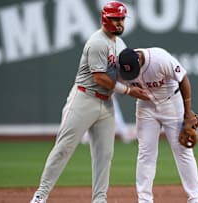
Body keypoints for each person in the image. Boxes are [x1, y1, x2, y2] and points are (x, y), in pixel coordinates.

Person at [29, 2, 150, 203]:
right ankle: (40, 196)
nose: (119, 22)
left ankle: (99, 199)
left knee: (105, 155)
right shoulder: (97, 42)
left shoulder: (120, 44)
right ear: (105, 19)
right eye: (115, 18)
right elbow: (100, 78)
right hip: (84, 99)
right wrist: (129, 90)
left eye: (121, 19)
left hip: (107, 103)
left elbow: (122, 73)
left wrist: (136, 82)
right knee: (64, 148)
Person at [117, 47, 198, 203]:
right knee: (145, 153)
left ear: (139, 59)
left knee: (182, 151)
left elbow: (183, 79)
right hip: (146, 107)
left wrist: (188, 112)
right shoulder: (123, 64)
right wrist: (129, 91)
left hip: (172, 103)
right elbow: (114, 83)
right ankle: (144, 200)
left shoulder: (159, 59)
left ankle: (195, 198)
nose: (131, 74)